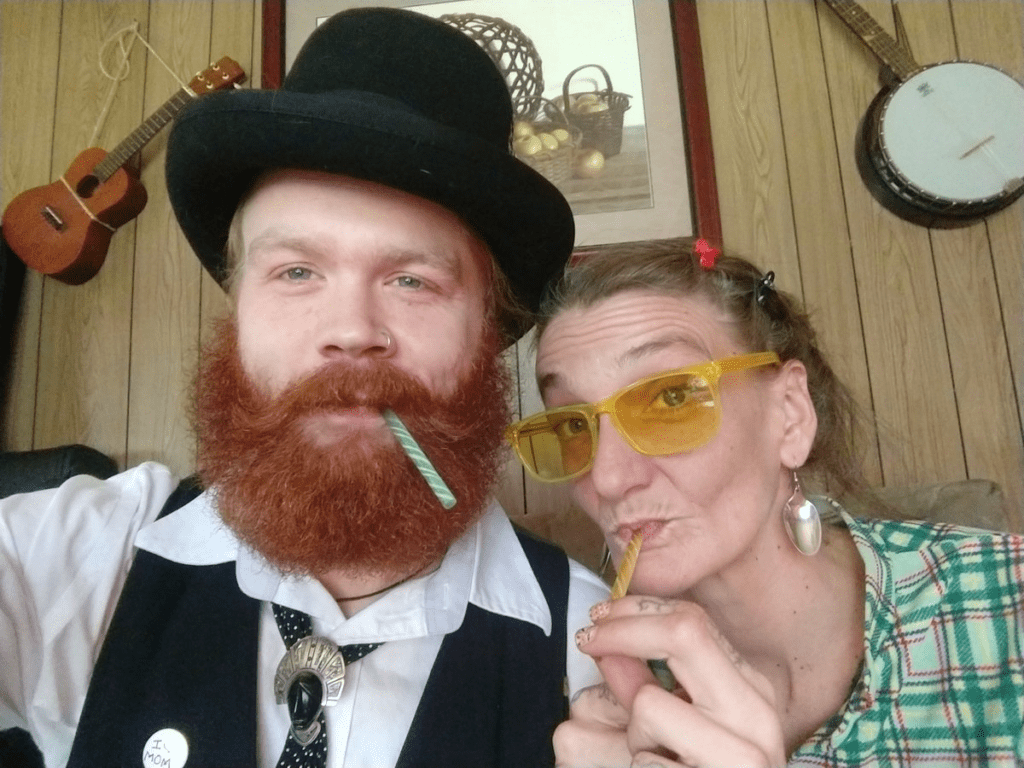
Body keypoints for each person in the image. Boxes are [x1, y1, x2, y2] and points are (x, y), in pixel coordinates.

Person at [0, 8, 608, 768]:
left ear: (489, 329)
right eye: (296, 272)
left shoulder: (590, 656)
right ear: (237, 307)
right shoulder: (78, 561)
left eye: (413, 280)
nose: (351, 331)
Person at [505, 237, 1024, 766]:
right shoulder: (592, 683)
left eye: (671, 398)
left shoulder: (1005, 601)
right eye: (572, 426)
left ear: (790, 415)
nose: (608, 478)